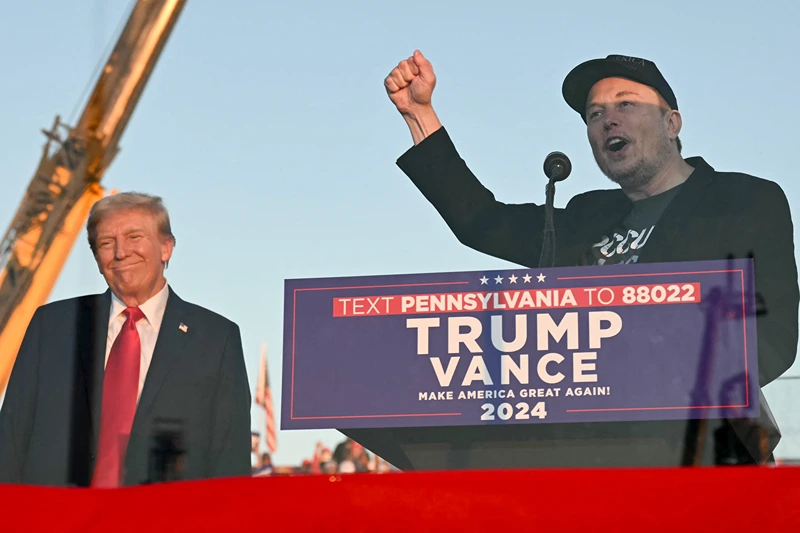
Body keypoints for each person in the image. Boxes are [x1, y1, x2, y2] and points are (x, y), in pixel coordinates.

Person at [384, 51, 799, 465]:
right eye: (594, 113)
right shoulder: (586, 216)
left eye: (626, 104)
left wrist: (674, 382)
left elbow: (773, 335)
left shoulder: (743, 201)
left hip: (705, 452)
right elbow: (483, 222)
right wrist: (420, 114)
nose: (608, 120)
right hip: (588, 455)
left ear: (671, 123)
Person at [0, 192, 251, 487]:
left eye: (134, 237)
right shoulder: (52, 325)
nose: (121, 252)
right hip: (56, 521)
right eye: (107, 243)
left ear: (166, 248)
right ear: (97, 258)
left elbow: (229, 461)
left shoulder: (216, 339)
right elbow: (11, 440)